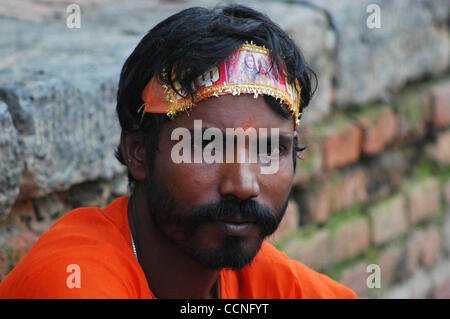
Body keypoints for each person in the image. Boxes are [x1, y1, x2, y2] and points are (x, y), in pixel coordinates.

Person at [0, 5, 357, 299]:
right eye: (206, 145)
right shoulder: (74, 281)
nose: (243, 184)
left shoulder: (268, 282)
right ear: (139, 153)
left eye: (269, 149)